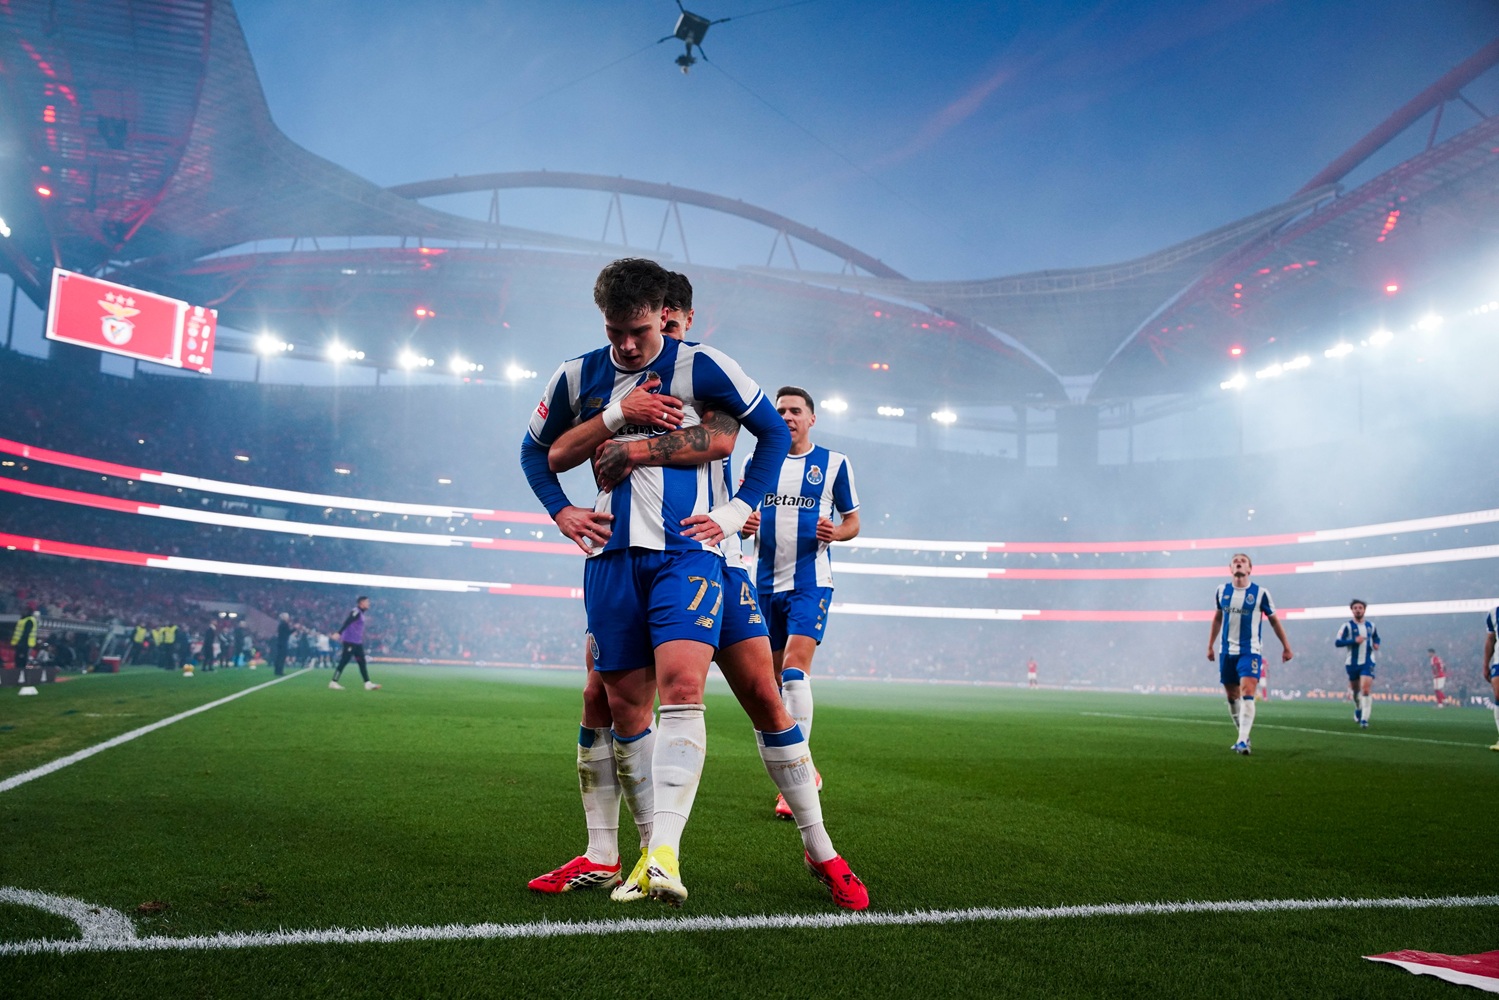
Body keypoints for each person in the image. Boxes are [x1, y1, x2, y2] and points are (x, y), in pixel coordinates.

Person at [527, 271, 866, 909]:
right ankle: (621, 853)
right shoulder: (583, 375)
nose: (633, 344)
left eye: (654, 327)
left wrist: (726, 504)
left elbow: (728, 437)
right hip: (621, 558)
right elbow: (543, 452)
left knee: (754, 695)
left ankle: (814, 848)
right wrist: (582, 474)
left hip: (707, 553)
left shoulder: (704, 369)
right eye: (618, 332)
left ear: (672, 316)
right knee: (609, 697)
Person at [740, 386, 860, 817]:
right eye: (781, 411)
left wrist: (836, 533)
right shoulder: (758, 461)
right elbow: (740, 517)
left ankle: (799, 776)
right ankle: (805, 769)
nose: (788, 417)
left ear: (811, 418)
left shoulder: (834, 463)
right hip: (765, 585)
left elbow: (853, 521)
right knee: (773, 686)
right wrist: (744, 524)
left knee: (794, 674)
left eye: (795, 411)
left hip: (812, 584)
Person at [1207, 553, 1292, 755]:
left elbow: (1274, 620)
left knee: (1247, 692)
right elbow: (1218, 618)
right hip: (1226, 651)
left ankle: (1242, 741)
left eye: (1243, 560)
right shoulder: (1221, 591)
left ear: (1249, 569)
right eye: (1235, 561)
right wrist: (1210, 645)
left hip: (1250, 651)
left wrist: (1286, 646)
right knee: (1232, 696)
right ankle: (1243, 735)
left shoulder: (1260, 593)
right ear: (1230, 568)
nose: (1239, 562)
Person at [1335, 600, 1380, 728]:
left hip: (1368, 661)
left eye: (1360, 607)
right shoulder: (1346, 626)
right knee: (1356, 691)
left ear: (1364, 610)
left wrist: (1376, 643)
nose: (1358, 610)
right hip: (1352, 663)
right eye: (1355, 608)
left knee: (1365, 689)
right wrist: (1354, 641)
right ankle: (1358, 708)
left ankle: (1364, 720)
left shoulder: (1371, 625)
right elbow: (1338, 642)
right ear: (1352, 610)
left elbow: (1376, 637)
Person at [330, 596, 378, 690]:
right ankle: (333, 682)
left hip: (357, 642)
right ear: (361, 603)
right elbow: (348, 621)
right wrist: (339, 633)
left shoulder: (361, 613)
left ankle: (367, 683)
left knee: (362, 662)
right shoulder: (356, 611)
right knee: (344, 660)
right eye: (367, 602)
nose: (369, 604)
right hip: (350, 641)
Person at [1483, 609, 1499, 751]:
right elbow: (1490, 639)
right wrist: (1485, 664)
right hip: (1498, 661)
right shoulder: (1494, 613)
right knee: (1498, 695)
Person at [9, 605, 38, 670]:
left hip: (25, 644)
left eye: (24, 610)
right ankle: (18, 671)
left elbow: (26, 634)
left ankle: (21, 672)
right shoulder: (23, 619)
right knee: (18, 659)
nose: (22, 612)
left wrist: (21, 643)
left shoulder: (29, 620)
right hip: (20, 643)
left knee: (22, 659)